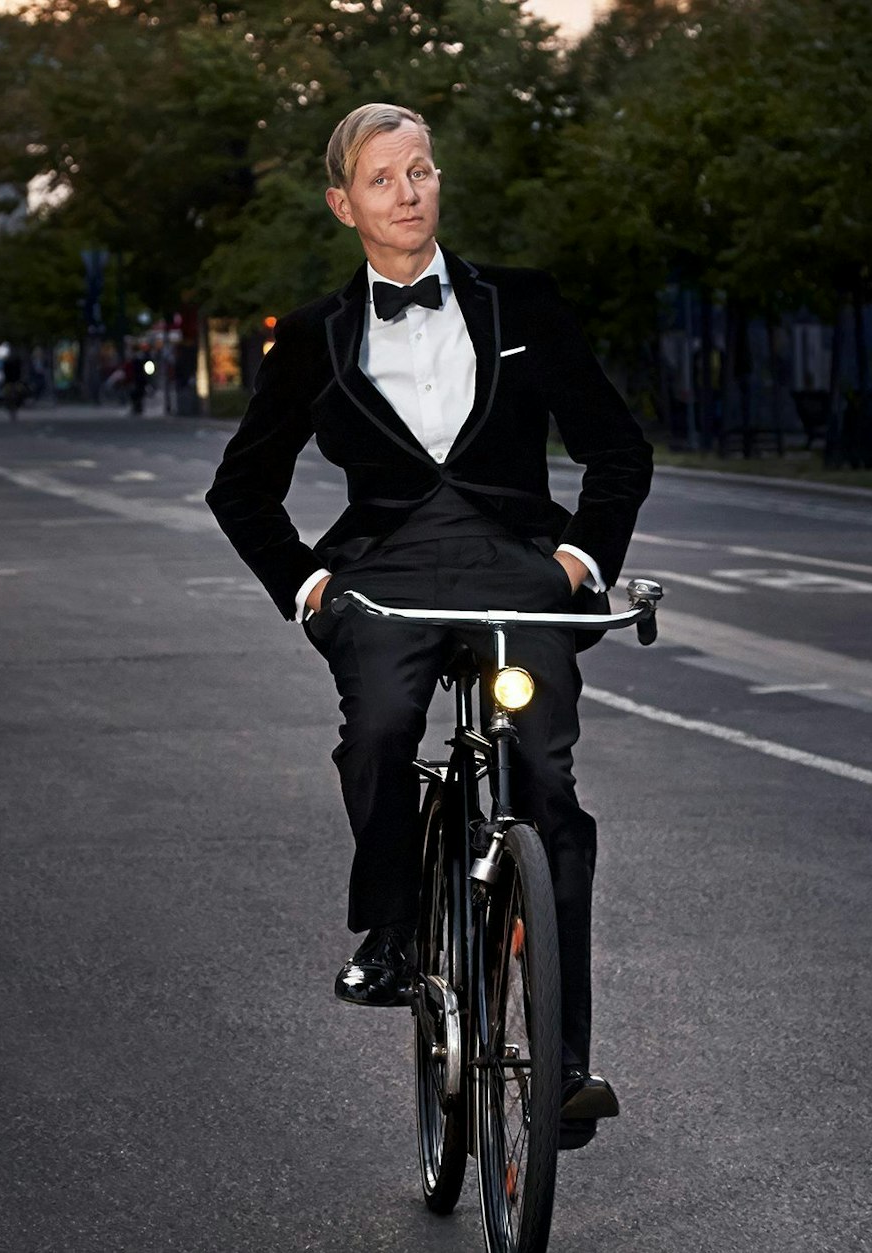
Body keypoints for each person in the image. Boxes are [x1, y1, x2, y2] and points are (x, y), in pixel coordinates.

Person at [205, 103, 651, 1152]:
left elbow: (616, 450)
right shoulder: (314, 334)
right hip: (384, 567)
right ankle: (395, 931)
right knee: (379, 726)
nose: (406, 193)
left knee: (545, 773)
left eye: (420, 171)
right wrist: (309, 586)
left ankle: (567, 1061)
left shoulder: (523, 301)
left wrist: (582, 558)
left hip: (514, 562)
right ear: (342, 203)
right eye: (380, 179)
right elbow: (242, 490)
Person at [2, 346, 25, 420]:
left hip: (14, 381)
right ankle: (10, 407)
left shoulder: (16, 361)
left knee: (19, 393)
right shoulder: (8, 361)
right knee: (9, 395)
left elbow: (20, 371)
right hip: (11, 381)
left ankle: (15, 406)